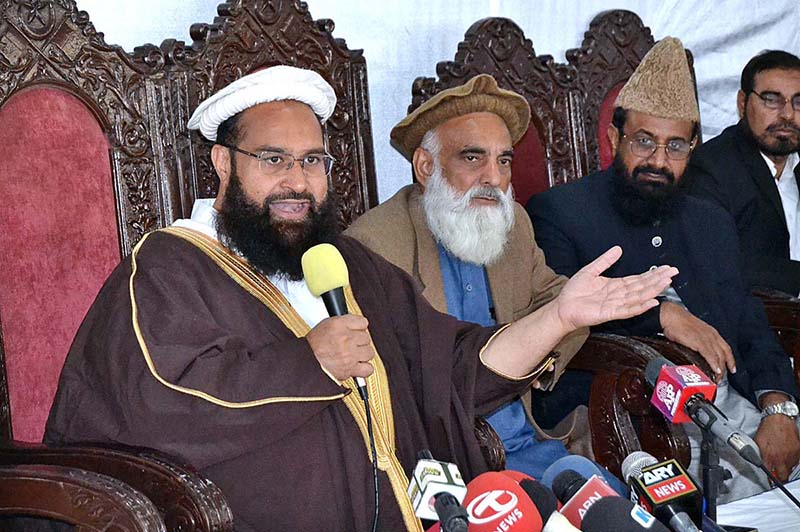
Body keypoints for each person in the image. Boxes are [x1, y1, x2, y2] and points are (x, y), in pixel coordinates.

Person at [44, 65, 675, 531]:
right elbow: (159, 400)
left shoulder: (346, 266)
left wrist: (560, 314)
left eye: (313, 160)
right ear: (222, 164)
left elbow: (454, 368)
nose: (298, 181)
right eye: (273, 159)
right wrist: (309, 362)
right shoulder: (167, 265)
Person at [526, 38, 800, 502]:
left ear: (693, 148)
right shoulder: (560, 213)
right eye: (644, 141)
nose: (658, 160)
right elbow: (557, 323)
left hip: (729, 404)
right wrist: (662, 317)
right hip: (628, 416)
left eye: (675, 146)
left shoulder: (709, 218)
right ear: (615, 140)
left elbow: (747, 316)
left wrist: (780, 407)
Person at [345, 74, 601, 482]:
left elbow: (554, 297)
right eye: (472, 157)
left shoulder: (512, 221)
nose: (493, 178)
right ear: (426, 166)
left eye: (503, 160)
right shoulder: (374, 244)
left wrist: (535, 358)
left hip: (531, 447)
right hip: (443, 466)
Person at [687, 50, 800, 295]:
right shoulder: (710, 168)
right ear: (742, 103)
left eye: (798, 102)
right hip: (758, 322)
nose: (788, 114)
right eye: (772, 99)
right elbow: (720, 263)